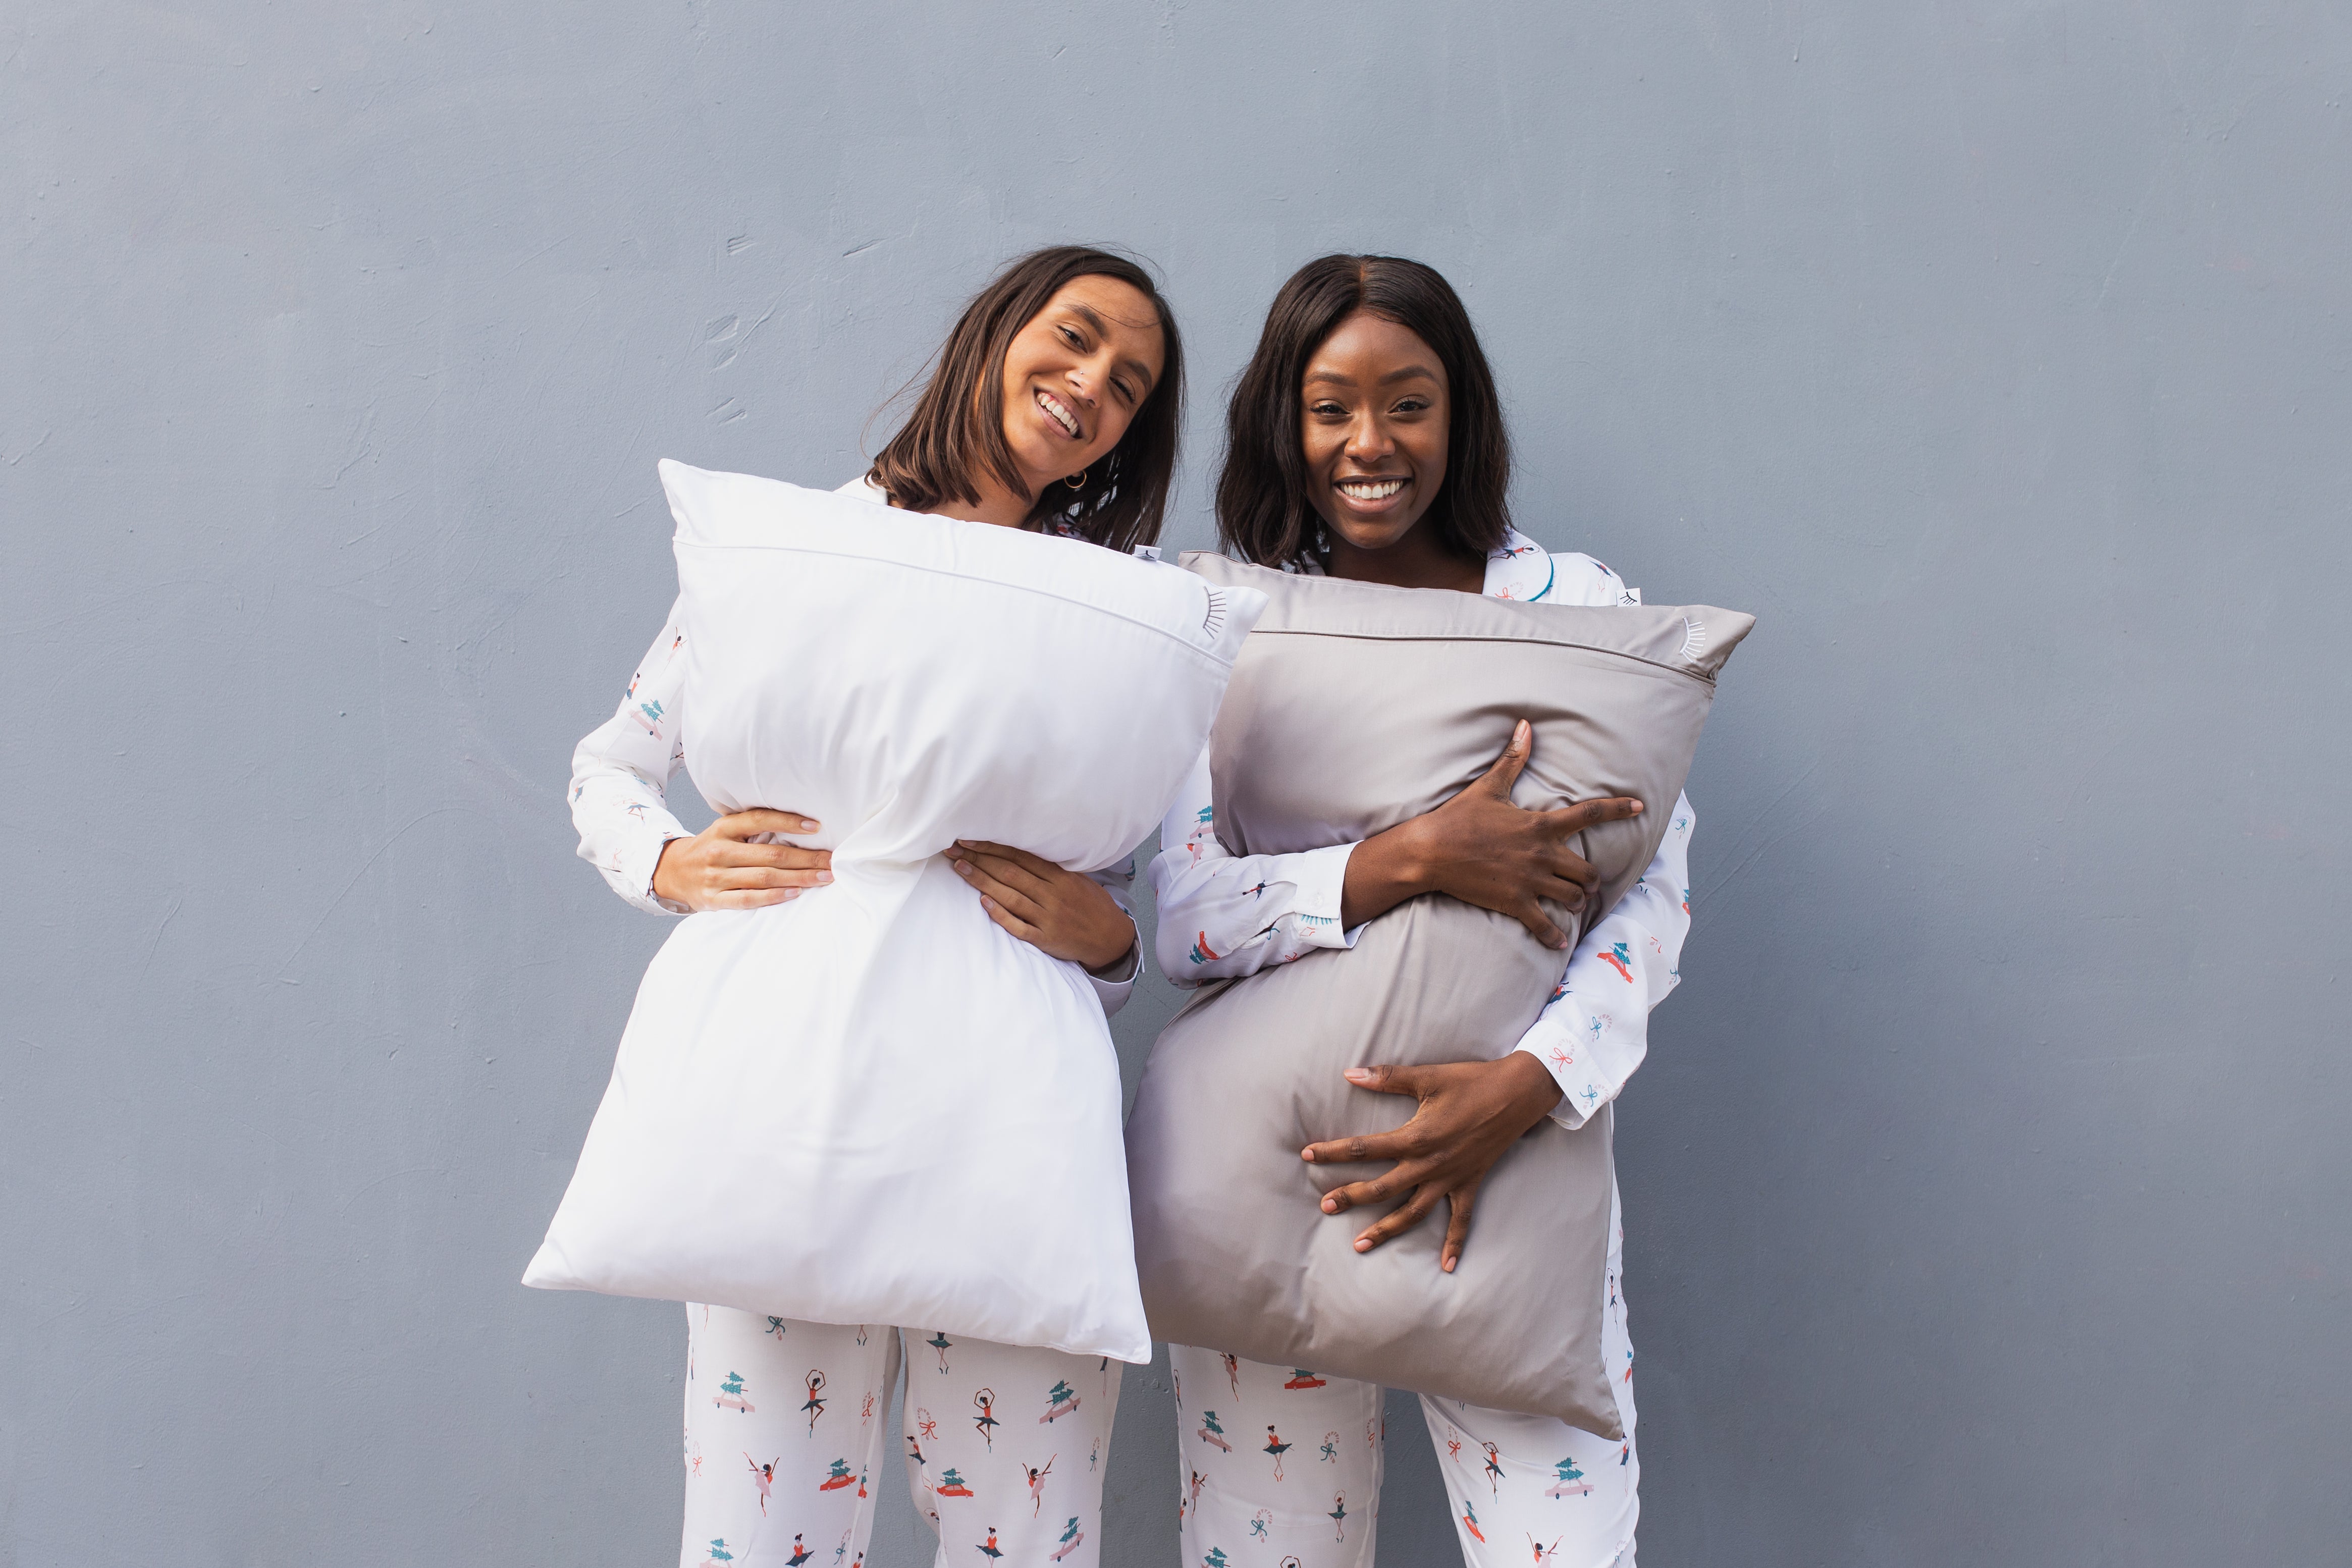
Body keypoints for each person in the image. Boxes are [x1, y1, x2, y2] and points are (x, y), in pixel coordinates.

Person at [569, 245, 1183, 1568]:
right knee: (763, 1536)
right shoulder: (792, 553)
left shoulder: (1116, 617)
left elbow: (1133, 896)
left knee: (1023, 1536)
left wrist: (1113, 939)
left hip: (1012, 1125)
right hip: (789, 1112)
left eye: (1128, 383)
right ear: (996, 329)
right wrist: (667, 863)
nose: (1090, 386)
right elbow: (612, 759)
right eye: (1072, 339)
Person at [1150, 254, 1689, 1568]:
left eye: (1408, 401)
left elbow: (1650, 897)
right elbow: (1181, 922)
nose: (1368, 442)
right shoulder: (1221, 617)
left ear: (1461, 415)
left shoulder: (1575, 608)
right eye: (1330, 405)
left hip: (1510, 1159)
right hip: (1260, 1173)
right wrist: (1403, 858)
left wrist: (1526, 1084)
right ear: (1284, 417)